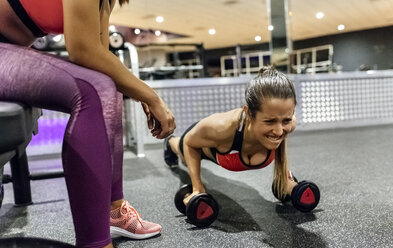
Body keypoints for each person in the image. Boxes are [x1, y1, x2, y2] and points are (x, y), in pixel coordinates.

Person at [0, 0, 175, 247]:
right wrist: (148, 94)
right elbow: (82, 49)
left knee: (108, 88)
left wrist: (135, 89)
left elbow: (98, 55)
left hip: (9, 49)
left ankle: (115, 212)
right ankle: (96, 243)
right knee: (94, 91)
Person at [164, 66, 297, 205]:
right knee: (180, 149)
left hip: (224, 148)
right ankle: (170, 143)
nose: (279, 131)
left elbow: (282, 139)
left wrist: (284, 177)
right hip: (200, 143)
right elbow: (189, 143)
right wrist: (198, 188)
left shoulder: (288, 126)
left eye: (286, 120)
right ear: (249, 113)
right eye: (270, 121)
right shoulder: (221, 128)